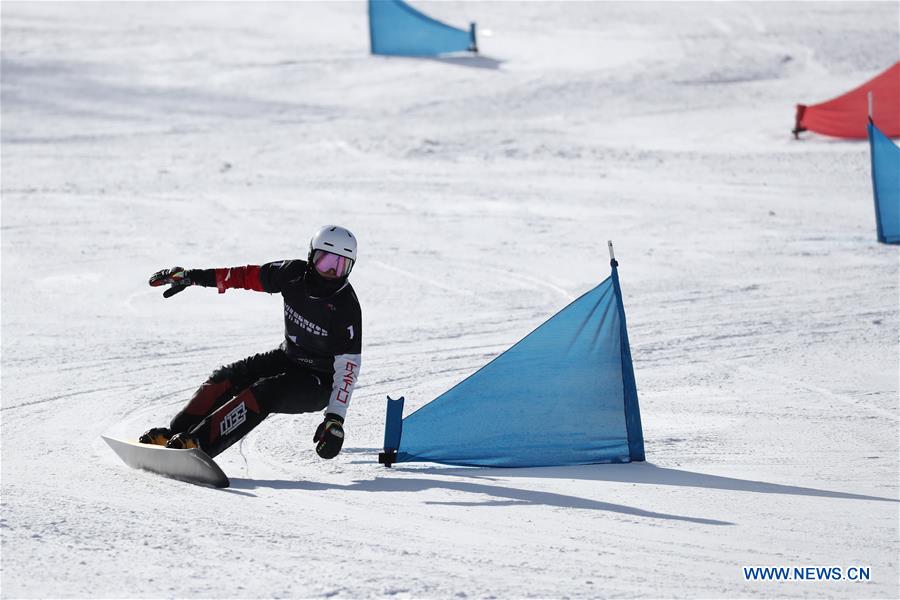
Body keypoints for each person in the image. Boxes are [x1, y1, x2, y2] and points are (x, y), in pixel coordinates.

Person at [139, 225, 361, 461]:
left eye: (341, 266)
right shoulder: (291, 274)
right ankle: (175, 433)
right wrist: (192, 276)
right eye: (326, 262)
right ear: (311, 256)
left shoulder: (345, 307)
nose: (331, 272)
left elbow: (348, 369)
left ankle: (200, 445)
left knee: (265, 392)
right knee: (227, 377)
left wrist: (334, 419)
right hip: (289, 357)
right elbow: (242, 276)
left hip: (320, 383)